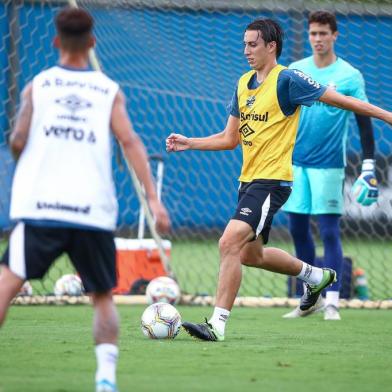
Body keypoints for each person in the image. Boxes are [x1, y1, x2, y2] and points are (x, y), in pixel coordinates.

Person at [166, 18, 392, 342]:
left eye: (252, 44)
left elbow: (344, 102)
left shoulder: (288, 79)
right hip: (248, 181)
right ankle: (315, 276)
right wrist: (191, 142)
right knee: (249, 255)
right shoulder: (243, 82)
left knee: (228, 243)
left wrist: (386, 115)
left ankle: (216, 324)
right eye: (244, 44)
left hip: (273, 182)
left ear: (271, 46)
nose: (246, 50)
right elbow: (230, 139)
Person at [0, 7, 170, 392]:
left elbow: (18, 140)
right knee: (102, 297)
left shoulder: (37, 87)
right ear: (93, 42)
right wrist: (155, 202)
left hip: (40, 208)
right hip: (90, 211)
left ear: (55, 41)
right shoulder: (108, 91)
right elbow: (130, 143)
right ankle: (106, 380)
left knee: (7, 282)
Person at [282, 11, 377, 321]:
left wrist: (368, 166)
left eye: (324, 33)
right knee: (297, 229)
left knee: (329, 231)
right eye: (313, 34)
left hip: (329, 166)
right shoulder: (296, 70)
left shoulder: (350, 75)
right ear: (308, 36)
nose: (318, 39)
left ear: (335, 35)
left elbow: (364, 123)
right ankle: (309, 299)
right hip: (295, 164)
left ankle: (333, 301)